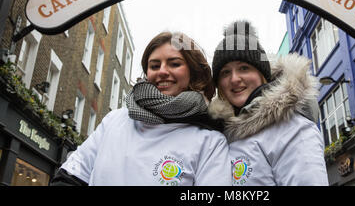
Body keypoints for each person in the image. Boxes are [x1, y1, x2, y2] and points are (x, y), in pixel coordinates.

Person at [50, 32, 231, 186]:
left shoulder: (210, 141)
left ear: (193, 73)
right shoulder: (115, 120)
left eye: (174, 63)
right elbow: (70, 176)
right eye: (154, 66)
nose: (162, 71)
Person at [208, 20, 329, 186]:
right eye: (225, 72)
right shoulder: (221, 134)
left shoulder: (292, 127)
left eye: (244, 68)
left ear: (262, 73)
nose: (234, 79)